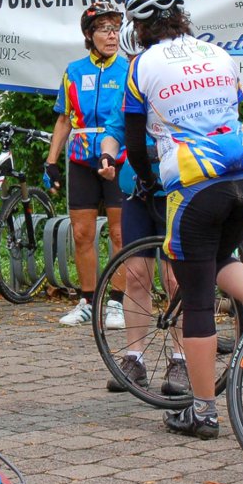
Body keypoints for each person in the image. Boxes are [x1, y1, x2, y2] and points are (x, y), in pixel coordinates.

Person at [120, 0, 243, 439]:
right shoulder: (218, 54)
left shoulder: (142, 64)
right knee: (220, 259)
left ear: (141, 26)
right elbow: (235, 107)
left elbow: (133, 136)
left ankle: (203, 412)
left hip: (195, 181)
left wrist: (145, 181)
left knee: (198, 297)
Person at [98, 21, 186, 394]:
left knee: (174, 278)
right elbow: (115, 129)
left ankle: (181, 361)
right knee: (135, 274)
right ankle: (134, 358)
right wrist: (106, 154)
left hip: (174, 188)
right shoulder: (131, 82)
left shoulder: (178, 84)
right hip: (137, 189)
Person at [45, 1, 128, 328]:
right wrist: (52, 161)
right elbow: (64, 119)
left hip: (118, 158)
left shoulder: (128, 69)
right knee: (82, 233)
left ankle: (117, 304)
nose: (112, 35)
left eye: (116, 28)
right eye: (105, 29)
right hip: (80, 157)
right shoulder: (74, 71)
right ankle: (88, 301)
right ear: (89, 34)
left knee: (121, 234)